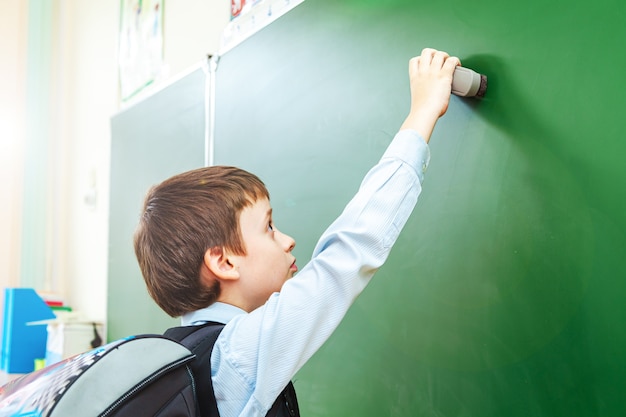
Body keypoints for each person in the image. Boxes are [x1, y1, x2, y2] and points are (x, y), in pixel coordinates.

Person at [134, 48, 461, 417]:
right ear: (223, 260)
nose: (287, 240)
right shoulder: (239, 354)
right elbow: (347, 254)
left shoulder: (182, 359)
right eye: (268, 227)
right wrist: (423, 113)